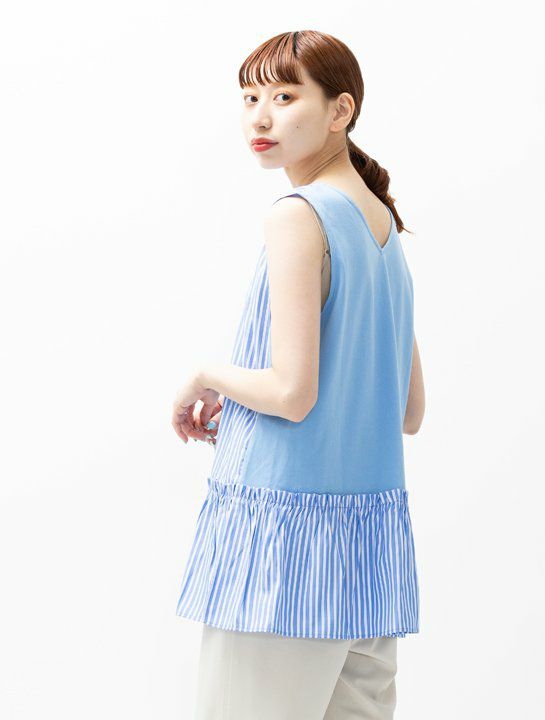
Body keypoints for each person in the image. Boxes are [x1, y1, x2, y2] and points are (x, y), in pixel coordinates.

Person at [171, 29, 426, 720]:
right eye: (250, 97)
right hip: (364, 559)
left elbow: (291, 392)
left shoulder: (299, 215)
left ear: (341, 110)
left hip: (282, 556)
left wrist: (207, 374)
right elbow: (408, 410)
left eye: (285, 97)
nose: (261, 116)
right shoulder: (382, 225)